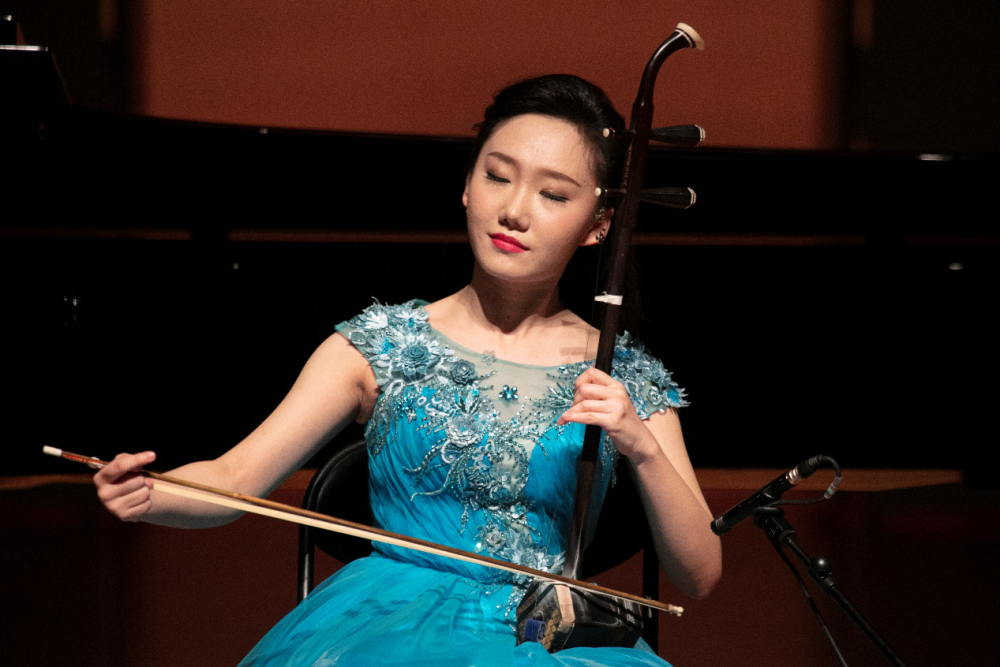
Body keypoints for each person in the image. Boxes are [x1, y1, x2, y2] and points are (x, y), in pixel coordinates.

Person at [94, 74, 722, 666]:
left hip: (543, 637)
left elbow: (699, 574)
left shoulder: (622, 375)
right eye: (497, 177)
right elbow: (234, 477)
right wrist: (153, 495)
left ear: (600, 223)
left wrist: (640, 446)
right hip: (390, 624)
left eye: (553, 194)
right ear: (468, 186)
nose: (514, 211)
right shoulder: (379, 345)